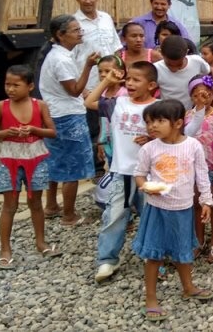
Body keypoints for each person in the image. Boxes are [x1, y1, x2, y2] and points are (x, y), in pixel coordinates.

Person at [132, 100, 213, 321]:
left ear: (178, 123)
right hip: (157, 209)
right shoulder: (149, 148)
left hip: (183, 209)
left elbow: (202, 175)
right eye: (149, 122)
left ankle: (188, 287)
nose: (152, 126)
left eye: (159, 121)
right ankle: (151, 298)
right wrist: (145, 186)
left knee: (182, 251)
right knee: (154, 255)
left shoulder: (193, 146)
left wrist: (206, 201)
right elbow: (139, 173)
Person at [85, 61, 158, 282]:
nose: (130, 83)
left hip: (150, 174)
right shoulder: (117, 103)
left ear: (151, 85)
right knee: (115, 215)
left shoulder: (159, 107)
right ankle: (107, 259)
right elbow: (89, 101)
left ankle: (152, 256)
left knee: (151, 216)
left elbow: (171, 135)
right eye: (129, 79)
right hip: (121, 171)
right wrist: (107, 81)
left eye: (137, 80)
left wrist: (152, 138)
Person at [0, 65, 60, 269]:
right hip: (9, 159)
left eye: (16, 85)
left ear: (30, 86)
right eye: (7, 84)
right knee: (10, 205)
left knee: (36, 203)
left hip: (36, 158)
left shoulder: (40, 105)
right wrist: (5, 133)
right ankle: (5, 249)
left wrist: (34, 129)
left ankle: (41, 242)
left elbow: (52, 132)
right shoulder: (1, 106)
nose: (10, 89)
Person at [39, 15, 98, 226]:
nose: (80, 33)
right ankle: (69, 215)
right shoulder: (61, 60)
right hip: (67, 116)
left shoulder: (58, 55)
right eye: (75, 30)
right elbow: (74, 90)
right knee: (72, 166)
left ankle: (51, 205)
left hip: (55, 113)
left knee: (56, 161)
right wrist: (89, 66)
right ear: (60, 35)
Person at [71, 0, 123, 175]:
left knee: (114, 124)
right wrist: (83, 89)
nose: (87, 1)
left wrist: (120, 77)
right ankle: (97, 170)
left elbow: (117, 49)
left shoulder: (106, 18)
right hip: (90, 85)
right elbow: (71, 59)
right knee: (94, 128)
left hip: (113, 85)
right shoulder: (74, 24)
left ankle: (116, 165)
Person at [184, 74, 213, 263]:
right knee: (196, 204)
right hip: (192, 170)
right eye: (197, 95)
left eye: (206, 94)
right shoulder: (187, 116)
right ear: (191, 97)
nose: (202, 98)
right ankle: (199, 241)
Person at [153, 36, 210, 109]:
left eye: (179, 64)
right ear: (161, 52)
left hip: (194, 112)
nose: (174, 69)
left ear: (187, 52)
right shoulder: (156, 69)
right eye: (169, 65)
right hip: (168, 113)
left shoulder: (197, 61)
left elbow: (209, 73)